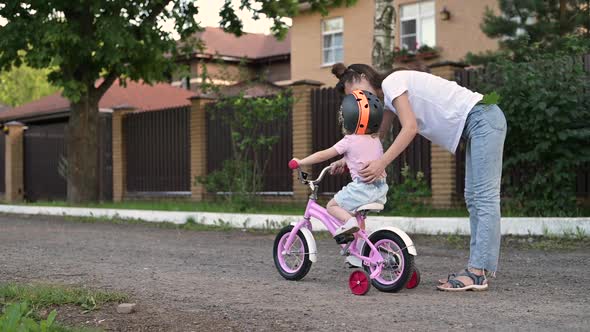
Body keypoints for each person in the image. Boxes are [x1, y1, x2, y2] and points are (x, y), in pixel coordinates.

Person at [330, 63, 507, 292]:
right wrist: (347, 158)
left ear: (363, 76)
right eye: (352, 97)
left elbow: (410, 127)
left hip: (482, 117)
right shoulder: (387, 100)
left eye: (356, 90)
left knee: (483, 198)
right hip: (479, 121)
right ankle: (478, 270)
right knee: (474, 198)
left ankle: (477, 272)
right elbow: (375, 139)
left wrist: (382, 163)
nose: (358, 97)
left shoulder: (392, 82)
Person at [291, 89, 388, 239]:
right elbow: (361, 156)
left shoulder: (349, 140)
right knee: (356, 216)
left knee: (332, 206)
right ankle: (359, 250)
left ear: (348, 118)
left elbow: (323, 155)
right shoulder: (375, 139)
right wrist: (343, 161)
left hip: (362, 189)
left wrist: (301, 161)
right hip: (380, 190)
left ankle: (349, 223)